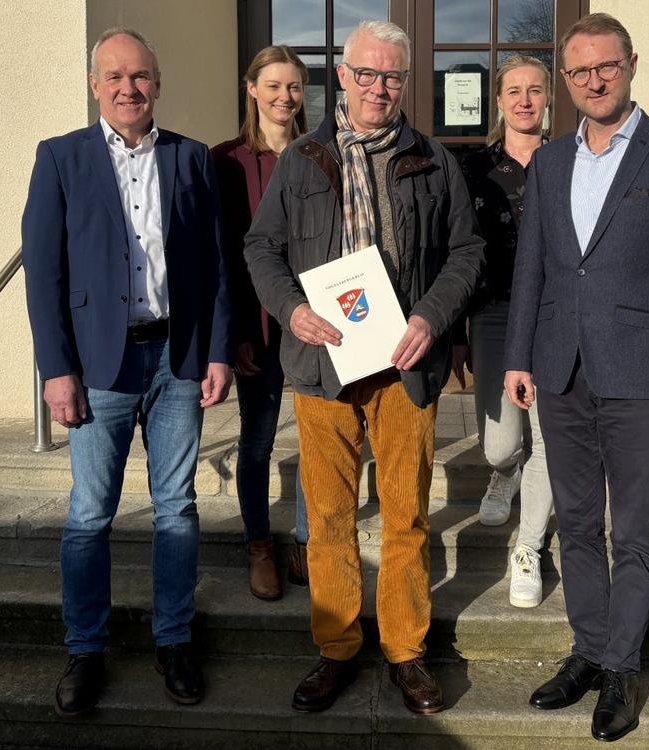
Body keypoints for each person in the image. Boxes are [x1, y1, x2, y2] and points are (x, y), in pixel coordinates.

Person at [244, 20, 483, 716]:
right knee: (328, 516)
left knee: (406, 515)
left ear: (406, 81)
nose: (380, 87)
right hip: (322, 366)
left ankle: (406, 650)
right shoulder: (302, 159)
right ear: (343, 77)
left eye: (393, 76)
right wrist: (291, 310)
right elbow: (262, 248)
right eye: (368, 74)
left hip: (405, 366)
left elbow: (467, 252)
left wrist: (430, 318)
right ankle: (338, 646)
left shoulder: (433, 160)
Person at [503, 13, 649, 742]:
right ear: (565, 80)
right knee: (574, 522)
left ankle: (622, 669)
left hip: (641, 375)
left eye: (607, 66)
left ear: (631, 65)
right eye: (580, 71)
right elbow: (532, 269)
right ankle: (588, 652)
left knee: (632, 530)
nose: (594, 81)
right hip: (560, 370)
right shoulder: (550, 162)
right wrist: (519, 356)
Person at [22, 28, 232, 716]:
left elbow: (216, 265)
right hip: (97, 367)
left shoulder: (191, 158)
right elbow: (44, 275)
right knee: (90, 513)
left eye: (139, 76)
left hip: (177, 359)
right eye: (113, 77)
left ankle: (173, 640)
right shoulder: (60, 158)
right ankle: (85, 649)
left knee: (177, 507)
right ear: (95, 86)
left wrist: (218, 350)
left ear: (158, 83)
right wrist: (57, 370)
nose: (127, 88)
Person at [453, 55, 554, 609]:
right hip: (495, 312)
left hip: (556, 316)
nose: (524, 100)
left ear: (547, 97)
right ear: (498, 100)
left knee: (550, 437)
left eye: (534, 90)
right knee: (500, 444)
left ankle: (529, 547)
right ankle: (505, 473)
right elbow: (455, 252)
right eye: (514, 91)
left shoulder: (569, 159)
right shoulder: (472, 169)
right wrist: (457, 332)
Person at [211, 45, 311, 601]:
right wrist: (235, 333)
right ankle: (258, 544)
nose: (284, 97)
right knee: (258, 440)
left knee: (320, 438)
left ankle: (307, 539)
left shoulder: (320, 154)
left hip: (317, 321)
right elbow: (223, 255)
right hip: (258, 326)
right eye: (273, 85)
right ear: (252, 89)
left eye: (293, 86)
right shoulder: (224, 161)